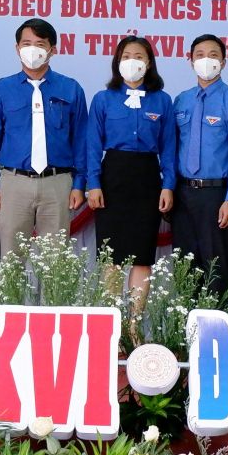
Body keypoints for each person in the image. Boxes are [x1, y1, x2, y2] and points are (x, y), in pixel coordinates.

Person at [0, 20, 87, 254]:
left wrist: (79, 183)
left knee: (55, 262)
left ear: (53, 49)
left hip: (57, 183)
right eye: (26, 44)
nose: (32, 50)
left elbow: (81, 140)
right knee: (12, 259)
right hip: (14, 182)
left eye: (40, 44)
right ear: (17, 48)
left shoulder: (71, 88)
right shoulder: (3, 88)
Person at [82, 36, 175, 299]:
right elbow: (92, 146)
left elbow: (169, 148)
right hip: (113, 177)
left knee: (142, 257)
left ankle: (134, 321)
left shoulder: (162, 100)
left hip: (148, 179)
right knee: (111, 257)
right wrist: (94, 184)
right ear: (117, 62)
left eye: (138, 56)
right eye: (125, 56)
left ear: (149, 62)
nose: (132, 61)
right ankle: (112, 317)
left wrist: (168, 185)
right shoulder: (103, 99)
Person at [171, 35, 228, 290]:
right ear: (190, 60)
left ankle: (217, 316)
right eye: (200, 55)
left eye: (213, 55)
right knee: (185, 270)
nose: (206, 60)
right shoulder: (181, 100)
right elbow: (172, 148)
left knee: (216, 270)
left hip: (217, 194)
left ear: (224, 62)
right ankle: (185, 316)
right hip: (183, 194)